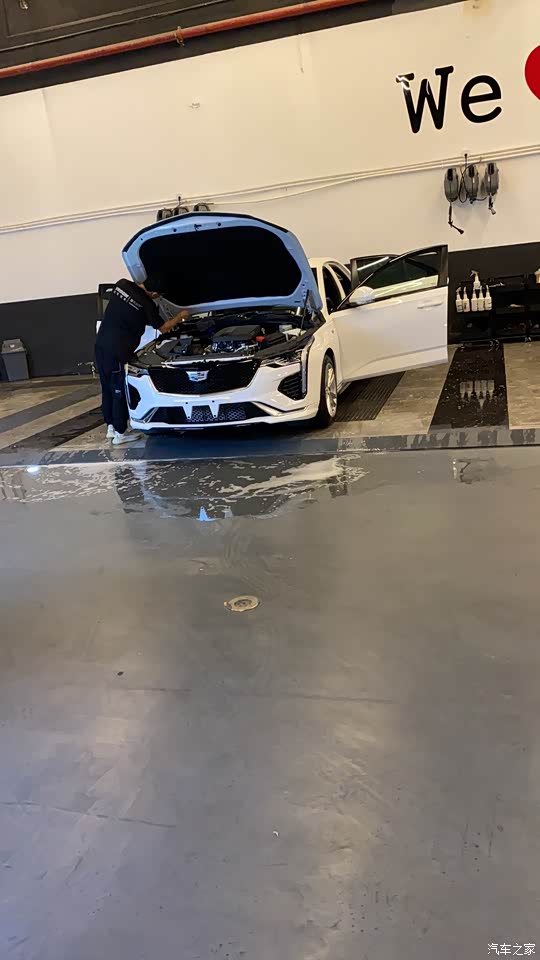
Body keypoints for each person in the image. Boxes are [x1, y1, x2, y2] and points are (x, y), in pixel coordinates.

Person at [95, 274, 189, 445]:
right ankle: (120, 433)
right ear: (154, 293)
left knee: (107, 386)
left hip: (101, 344)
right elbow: (163, 328)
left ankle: (111, 427)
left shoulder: (121, 284)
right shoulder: (147, 305)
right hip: (118, 350)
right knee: (118, 390)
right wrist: (180, 316)